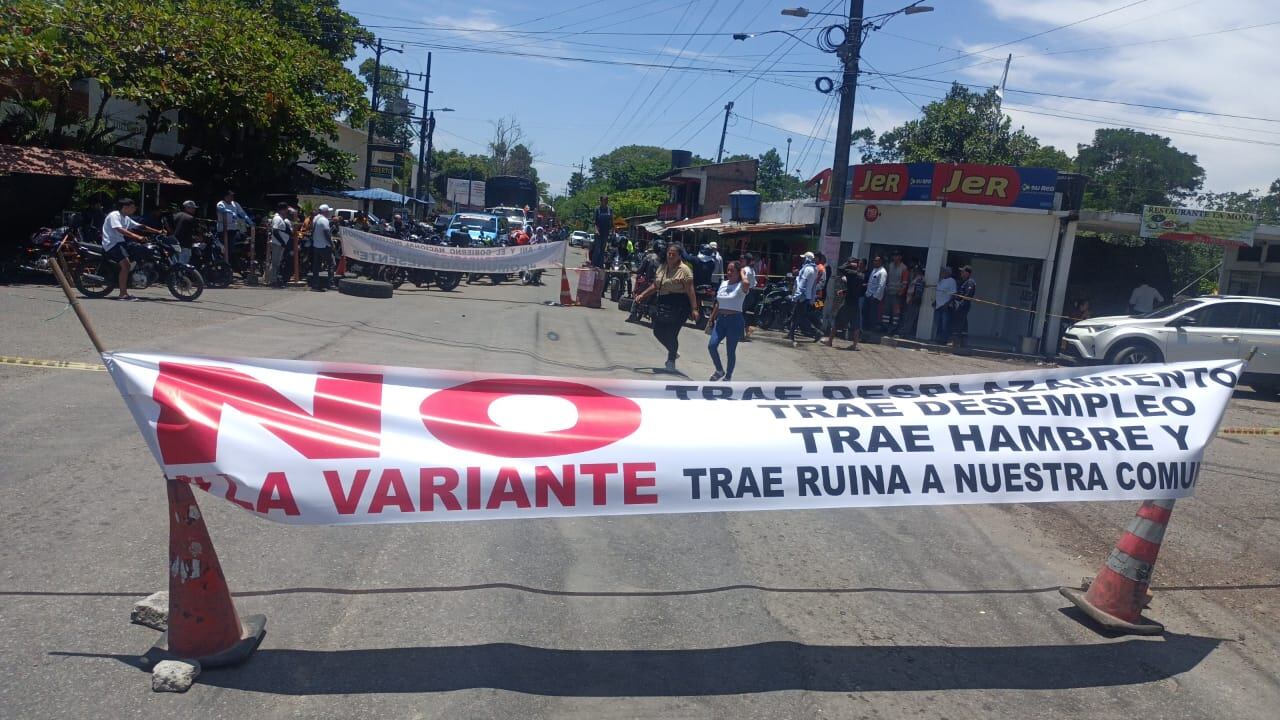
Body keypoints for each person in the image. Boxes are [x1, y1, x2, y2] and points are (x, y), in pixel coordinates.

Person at [633, 242, 699, 372]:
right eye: (669, 253)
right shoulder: (662, 267)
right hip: (663, 302)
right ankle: (673, 350)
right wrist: (642, 295)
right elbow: (655, 285)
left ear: (679, 256)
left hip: (680, 304)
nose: (670, 256)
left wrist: (694, 309)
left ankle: (671, 360)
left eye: (673, 254)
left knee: (672, 333)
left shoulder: (685, 270)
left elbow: (690, 290)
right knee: (657, 331)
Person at [101, 198, 161, 301]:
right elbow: (120, 229)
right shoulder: (114, 215)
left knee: (138, 250)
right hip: (112, 244)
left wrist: (158, 232)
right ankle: (123, 294)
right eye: (133, 207)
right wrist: (137, 237)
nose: (134, 209)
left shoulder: (126, 218)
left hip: (121, 243)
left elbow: (140, 226)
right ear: (125, 207)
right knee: (126, 265)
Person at [707, 261, 751, 381]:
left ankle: (728, 376)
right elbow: (719, 303)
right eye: (728, 270)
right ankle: (719, 370)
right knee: (712, 345)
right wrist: (712, 318)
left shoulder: (741, 285)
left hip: (735, 320)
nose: (729, 273)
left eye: (732, 270)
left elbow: (746, 283)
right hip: (721, 319)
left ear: (739, 272)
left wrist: (743, 273)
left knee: (730, 350)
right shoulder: (724, 283)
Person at [825, 257, 866, 350]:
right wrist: (844, 291)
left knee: (837, 322)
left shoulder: (851, 273)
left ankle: (830, 341)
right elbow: (853, 289)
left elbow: (840, 268)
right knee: (856, 325)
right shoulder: (861, 276)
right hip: (855, 303)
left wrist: (848, 263)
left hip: (847, 303)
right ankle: (855, 345)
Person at [788, 251, 822, 347]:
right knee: (795, 316)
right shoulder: (814, 269)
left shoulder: (807, 269)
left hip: (802, 297)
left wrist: (796, 297)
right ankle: (791, 335)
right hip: (807, 297)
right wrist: (811, 298)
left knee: (801, 318)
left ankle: (816, 332)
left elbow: (802, 284)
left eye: (804, 258)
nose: (802, 259)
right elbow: (814, 286)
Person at [215, 190, 251, 263]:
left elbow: (242, 213)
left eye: (232, 195)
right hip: (223, 229)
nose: (232, 197)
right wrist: (231, 212)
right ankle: (222, 262)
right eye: (230, 195)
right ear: (225, 197)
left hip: (233, 229)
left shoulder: (235, 204)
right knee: (223, 248)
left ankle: (229, 262)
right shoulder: (221, 203)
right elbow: (221, 209)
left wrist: (249, 220)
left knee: (231, 247)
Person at [264, 202, 291, 288]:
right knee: (275, 263)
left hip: (280, 243)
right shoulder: (277, 218)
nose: (287, 211)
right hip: (277, 243)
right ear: (282, 210)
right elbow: (275, 231)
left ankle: (273, 279)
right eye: (286, 209)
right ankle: (272, 281)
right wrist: (282, 242)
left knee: (277, 263)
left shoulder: (281, 218)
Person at [310, 205, 334, 292]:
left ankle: (315, 284)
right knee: (331, 264)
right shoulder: (324, 220)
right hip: (324, 246)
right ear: (325, 212)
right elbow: (326, 233)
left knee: (316, 266)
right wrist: (331, 244)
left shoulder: (315, 218)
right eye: (328, 211)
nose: (329, 213)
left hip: (316, 245)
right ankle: (330, 283)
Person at [952, 265, 976, 347]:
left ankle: (956, 342)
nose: (961, 273)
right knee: (963, 324)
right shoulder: (965, 282)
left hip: (963, 306)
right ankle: (962, 343)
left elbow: (967, 295)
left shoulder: (970, 282)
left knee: (959, 323)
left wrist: (960, 303)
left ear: (967, 273)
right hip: (962, 305)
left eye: (963, 272)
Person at [899, 265, 926, 338]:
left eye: (915, 270)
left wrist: (912, 299)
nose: (913, 271)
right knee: (907, 317)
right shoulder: (915, 278)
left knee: (910, 318)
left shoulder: (920, 279)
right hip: (910, 300)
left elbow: (918, 292)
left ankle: (905, 333)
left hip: (914, 301)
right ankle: (904, 332)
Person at [885, 251, 909, 334]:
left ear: (900, 257)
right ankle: (886, 327)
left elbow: (905, 282)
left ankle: (894, 328)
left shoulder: (904, 268)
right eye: (894, 256)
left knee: (896, 312)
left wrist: (901, 292)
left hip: (897, 294)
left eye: (897, 256)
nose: (895, 257)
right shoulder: (890, 266)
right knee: (886, 311)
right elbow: (886, 278)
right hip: (889, 292)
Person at [934, 266, 957, 343]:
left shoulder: (952, 281)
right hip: (938, 306)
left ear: (948, 273)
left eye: (944, 272)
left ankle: (944, 340)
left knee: (945, 325)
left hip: (946, 307)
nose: (942, 273)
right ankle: (938, 339)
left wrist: (947, 304)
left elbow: (954, 294)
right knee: (939, 324)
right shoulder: (941, 280)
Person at [865, 255, 887, 332]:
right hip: (868, 295)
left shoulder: (882, 272)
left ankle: (871, 331)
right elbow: (871, 283)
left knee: (873, 315)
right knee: (867, 313)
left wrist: (875, 296)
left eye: (876, 261)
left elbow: (881, 286)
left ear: (881, 262)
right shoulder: (874, 270)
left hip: (874, 298)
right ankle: (866, 329)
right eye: (874, 260)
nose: (874, 262)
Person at [741, 252, 760, 342]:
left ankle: (745, 331)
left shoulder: (745, 270)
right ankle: (746, 330)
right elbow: (755, 282)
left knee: (740, 313)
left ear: (745, 260)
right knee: (742, 312)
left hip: (746, 293)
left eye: (743, 259)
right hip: (751, 293)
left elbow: (743, 282)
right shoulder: (752, 270)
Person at [592, 195, 613, 267]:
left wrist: (612, 231)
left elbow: (611, 221)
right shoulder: (597, 209)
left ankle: (600, 265)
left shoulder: (610, 210)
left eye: (607, 200)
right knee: (597, 248)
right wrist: (596, 230)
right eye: (605, 200)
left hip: (606, 232)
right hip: (598, 231)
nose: (606, 202)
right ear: (601, 201)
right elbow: (594, 221)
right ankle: (594, 264)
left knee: (603, 249)